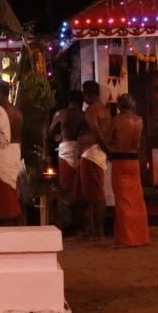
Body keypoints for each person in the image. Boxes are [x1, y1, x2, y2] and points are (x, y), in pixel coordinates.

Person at [105, 93, 149, 246]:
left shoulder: (116, 120)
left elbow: (108, 139)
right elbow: (136, 144)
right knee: (137, 198)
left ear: (119, 106)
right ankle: (140, 236)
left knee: (122, 199)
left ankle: (126, 238)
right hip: (133, 160)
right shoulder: (139, 121)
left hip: (119, 160)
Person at [0, 79, 24, 226]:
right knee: (12, 192)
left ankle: (5, 233)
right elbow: (20, 138)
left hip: (1, 156)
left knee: (2, 197)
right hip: (14, 155)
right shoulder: (17, 112)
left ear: (0, 93)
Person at [75, 80, 110, 238]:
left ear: (88, 94)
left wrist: (107, 150)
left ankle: (98, 231)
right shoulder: (104, 109)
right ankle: (96, 230)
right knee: (94, 195)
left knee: (94, 197)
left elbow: (96, 132)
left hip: (91, 153)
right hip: (97, 153)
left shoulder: (91, 111)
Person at [46, 89, 85, 229]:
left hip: (65, 150)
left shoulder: (61, 114)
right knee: (78, 188)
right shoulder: (84, 115)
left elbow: (49, 132)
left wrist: (57, 137)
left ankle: (65, 224)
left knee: (64, 188)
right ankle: (79, 225)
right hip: (81, 150)